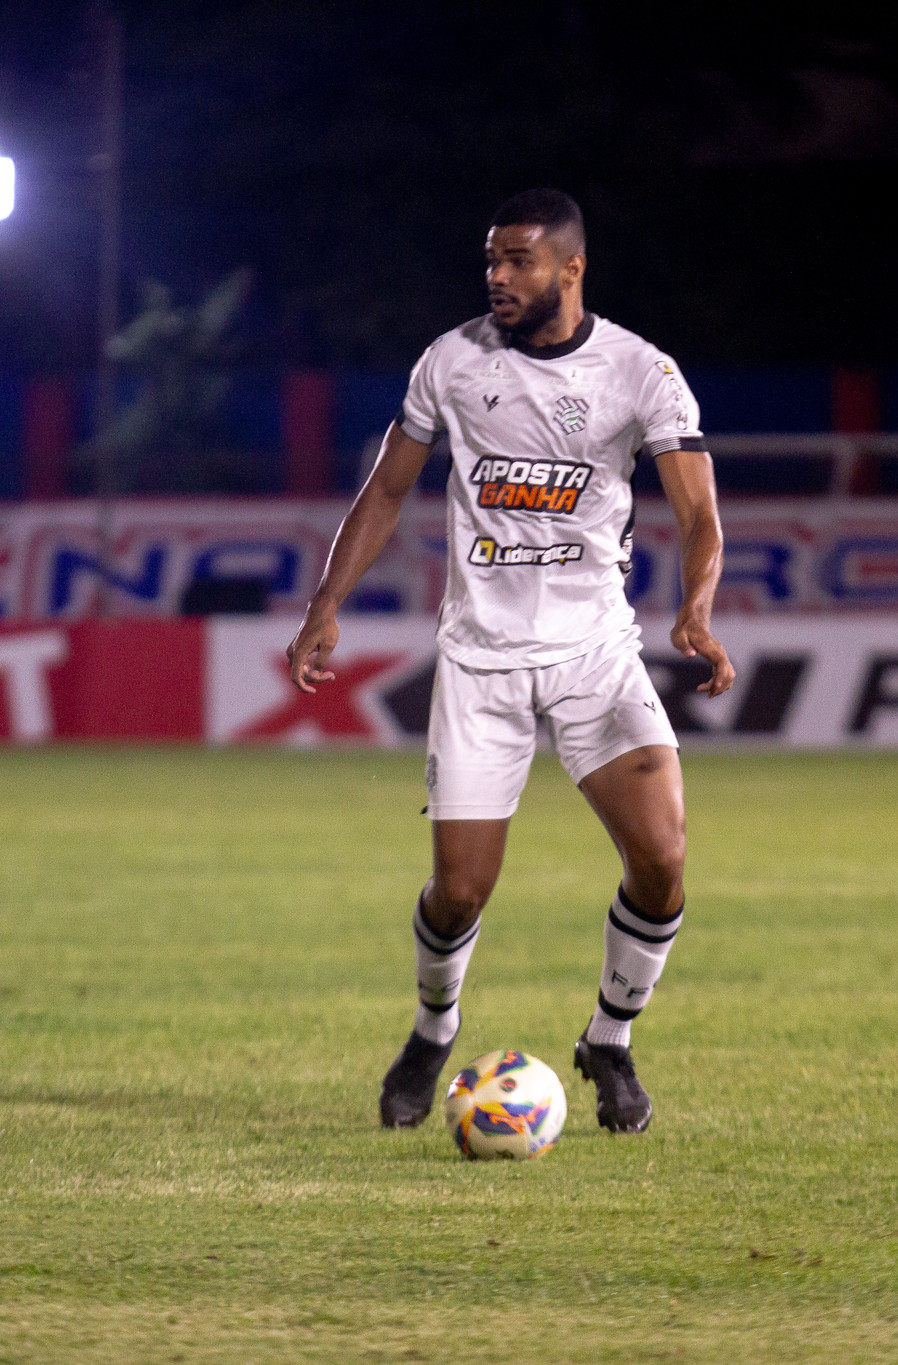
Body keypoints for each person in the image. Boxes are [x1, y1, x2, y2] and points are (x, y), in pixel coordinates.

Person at [285, 188, 733, 1134]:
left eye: (518, 260)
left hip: (595, 654)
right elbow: (385, 490)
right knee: (459, 891)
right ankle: (431, 1028)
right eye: (491, 259)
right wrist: (327, 603)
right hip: (482, 660)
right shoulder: (452, 363)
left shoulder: (640, 372)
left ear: (570, 269)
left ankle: (609, 1039)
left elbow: (698, 513)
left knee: (663, 856)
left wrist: (694, 607)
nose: (496, 276)